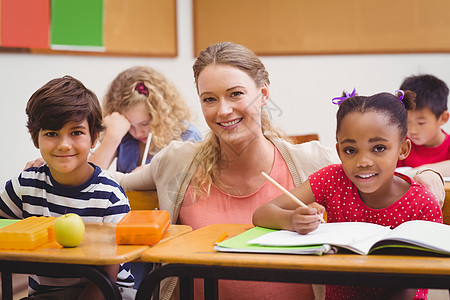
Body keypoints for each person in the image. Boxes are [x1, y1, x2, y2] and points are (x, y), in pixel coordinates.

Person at [108, 42, 445, 300]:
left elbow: (384, 170)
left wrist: (428, 175)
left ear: (263, 93)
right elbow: (108, 183)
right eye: (209, 99)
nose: (223, 110)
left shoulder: (317, 162)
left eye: (236, 94)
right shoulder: (178, 161)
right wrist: (110, 135)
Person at [253, 90, 443, 300]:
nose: (363, 161)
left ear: (403, 149)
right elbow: (262, 214)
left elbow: (418, 277)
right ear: (339, 150)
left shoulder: (422, 203)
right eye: (351, 150)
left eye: (379, 148)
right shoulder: (332, 180)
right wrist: (293, 220)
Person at [0, 76, 132, 299]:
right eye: (52, 134)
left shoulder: (110, 196)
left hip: (108, 293)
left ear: (94, 138)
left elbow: (108, 274)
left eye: (76, 132)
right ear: (35, 139)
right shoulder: (24, 187)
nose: (63, 144)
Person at [88, 65, 202, 173]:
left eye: (145, 123)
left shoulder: (187, 137)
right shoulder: (124, 136)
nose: (137, 133)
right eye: (130, 125)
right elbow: (87, 179)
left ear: (162, 114)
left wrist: (152, 174)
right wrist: (112, 137)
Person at [396, 74, 450, 176]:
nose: (412, 130)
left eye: (421, 123)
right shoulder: (400, 145)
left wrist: (419, 171)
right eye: (406, 122)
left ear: (443, 118)